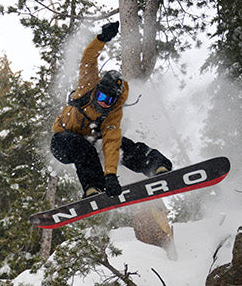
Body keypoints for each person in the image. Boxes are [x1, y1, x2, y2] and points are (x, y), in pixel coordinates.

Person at [49, 22, 174, 197]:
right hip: (63, 142)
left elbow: (112, 144)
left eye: (110, 101)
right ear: (97, 91)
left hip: (93, 140)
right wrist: (102, 39)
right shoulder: (88, 84)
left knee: (124, 146)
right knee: (82, 147)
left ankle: (156, 165)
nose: (104, 104)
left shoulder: (113, 112)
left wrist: (111, 176)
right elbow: (88, 58)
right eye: (102, 98)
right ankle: (92, 187)